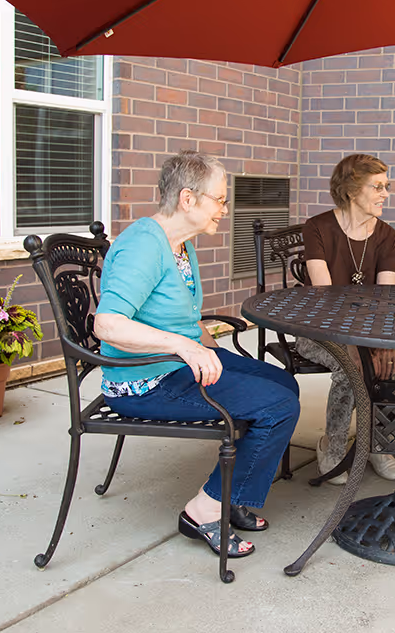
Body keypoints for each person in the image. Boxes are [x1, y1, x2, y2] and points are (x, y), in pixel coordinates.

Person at [94, 150, 300, 559]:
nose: (225, 209)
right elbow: (108, 324)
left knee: (282, 382)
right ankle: (204, 510)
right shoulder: (143, 247)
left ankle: (235, 492)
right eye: (220, 200)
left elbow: (181, 317)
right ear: (188, 199)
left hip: (178, 364)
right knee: (278, 406)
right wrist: (184, 346)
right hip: (145, 382)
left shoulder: (179, 244)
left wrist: (206, 347)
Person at [296, 154, 395, 485]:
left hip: (368, 331)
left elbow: (385, 298)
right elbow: (324, 295)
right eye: (378, 186)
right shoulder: (317, 228)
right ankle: (334, 443)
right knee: (348, 366)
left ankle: (375, 442)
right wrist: (352, 347)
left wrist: (381, 344)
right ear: (351, 189)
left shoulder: (387, 235)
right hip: (317, 328)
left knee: (393, 365)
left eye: (387, 186)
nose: (386, 193)